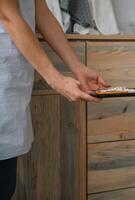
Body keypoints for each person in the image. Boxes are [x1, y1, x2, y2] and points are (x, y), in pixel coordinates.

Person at [0, 0, 109, 199]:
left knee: (5, 184)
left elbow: (40, 12)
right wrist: (56, 79)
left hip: (11, 85)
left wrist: (77, 68)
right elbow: (8, 16)